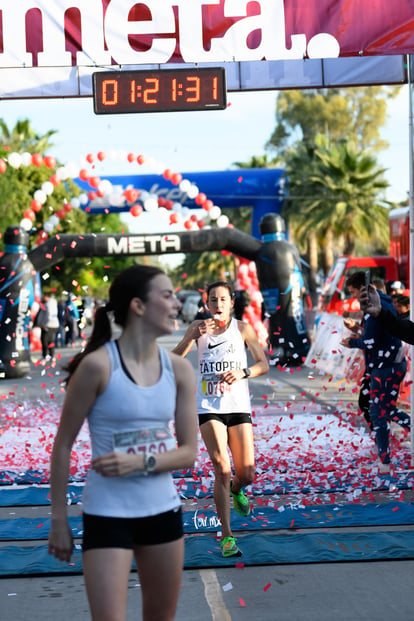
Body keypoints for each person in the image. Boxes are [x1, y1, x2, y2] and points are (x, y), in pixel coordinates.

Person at [48, 265, 198, 621]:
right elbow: (63, 445)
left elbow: (188, 453)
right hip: (107, 514)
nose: (176, 304)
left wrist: (140, 463)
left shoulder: (179, 370)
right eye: (167, 295)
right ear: (138, 306)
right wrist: (58, 519)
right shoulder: (97, 366)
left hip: (163, 513)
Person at [172, 280, 269, 557]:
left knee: (246, 473)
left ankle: (237, 489)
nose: (218, 304)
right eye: (213, 300)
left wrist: (243, 373)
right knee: (221, 468)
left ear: (231, 303)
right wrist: (191, 337)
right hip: (209, 406)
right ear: (207, 304)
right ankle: (227, 537)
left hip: (238, 405)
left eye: (223, 299)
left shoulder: (243, 329)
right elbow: (174, 359)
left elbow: (264, 364)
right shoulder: (198, 329)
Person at [341, 272, 410, 473]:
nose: (354, 298)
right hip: (390, 364)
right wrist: (359, 331)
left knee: (378, 411)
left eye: (354, 292)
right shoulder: (382, 304)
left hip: (385, 366)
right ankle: (385, 455)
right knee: (384, 409)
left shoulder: (374, 307)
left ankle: (384, 461)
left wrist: (352, 342)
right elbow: (380, 335)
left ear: (363, 288)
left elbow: (373, 341)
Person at [34, 292, 60, 361]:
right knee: (48, 340)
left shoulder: (49, 304)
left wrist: (44, 324)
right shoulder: (51, 303)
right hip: (51, 325)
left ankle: (47, 355)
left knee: (46, 341)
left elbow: (49, 315)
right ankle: (49, 355)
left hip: (48, 325)